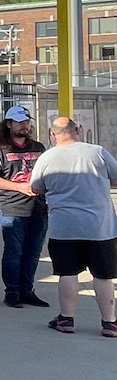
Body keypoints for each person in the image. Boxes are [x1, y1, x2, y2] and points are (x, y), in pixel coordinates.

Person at [27, 117, 117, 338]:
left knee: (67, 273)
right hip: (99, 227)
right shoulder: (97, 152)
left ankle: (66, 319)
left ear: (52, 134)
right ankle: (109, 323)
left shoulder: (47, 157)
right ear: (77, 130)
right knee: (103, 276)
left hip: (63, 226)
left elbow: (36, 187)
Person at [0, 105, 49, 308]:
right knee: (14, 251)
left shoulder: (38, 148)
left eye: (27, 122)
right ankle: (11, 291)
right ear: (8, 124)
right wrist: (19, 187)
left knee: (33, 252)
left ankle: (27, 290)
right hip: (10, 208)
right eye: (19, 122)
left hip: (38, 208)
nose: (24, 126)